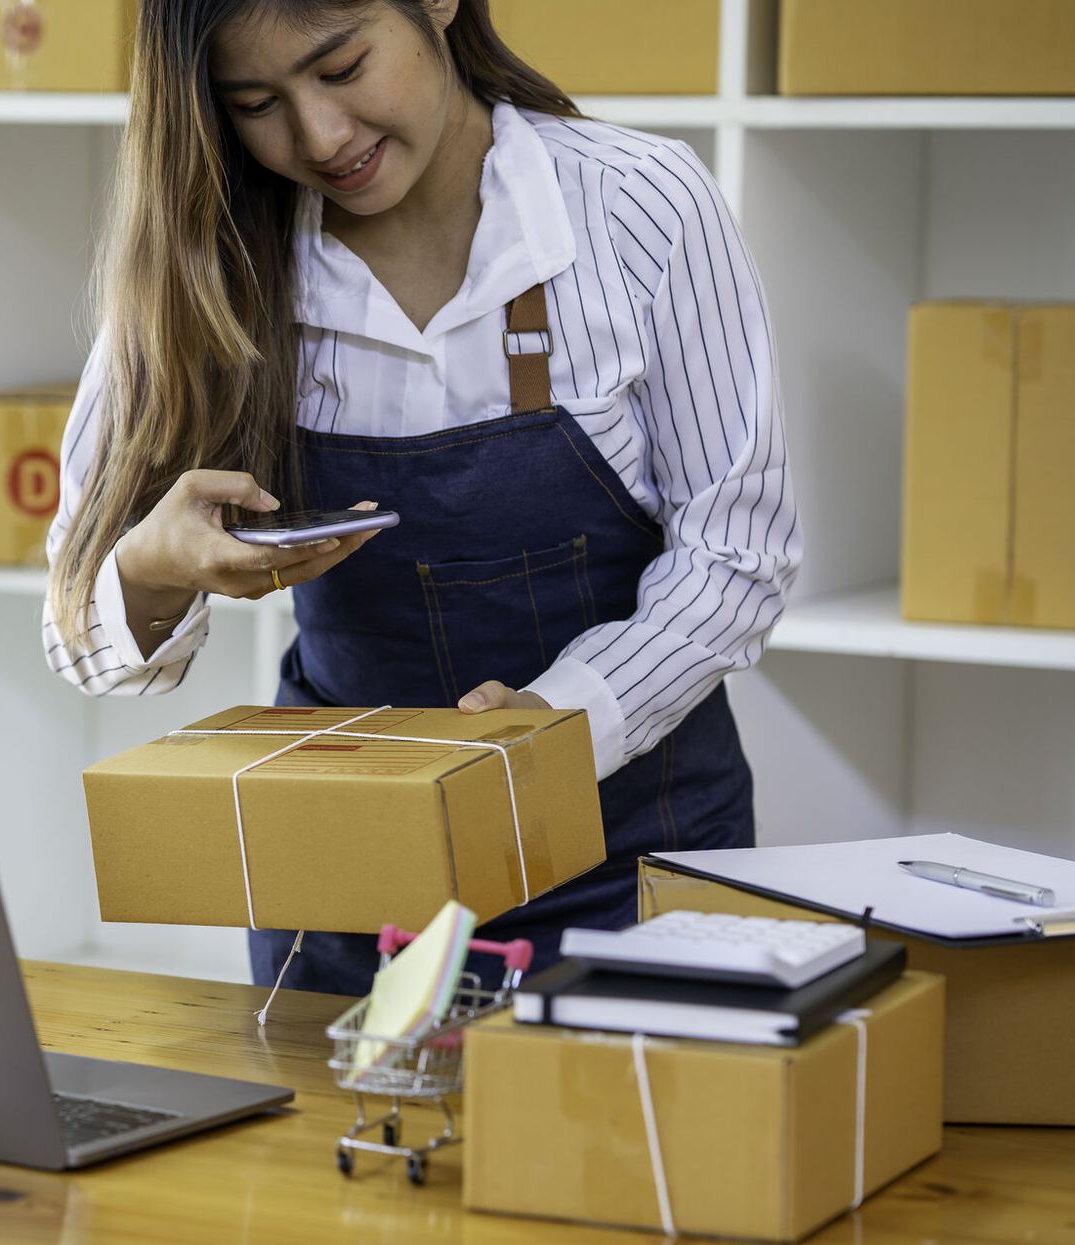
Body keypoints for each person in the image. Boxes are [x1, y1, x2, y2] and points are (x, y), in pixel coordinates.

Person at [41, 0, 798, 994]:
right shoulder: (204, 263)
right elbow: (79, 640)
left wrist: (552, 722)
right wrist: (150, 566)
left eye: (341, 68)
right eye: (256, 102)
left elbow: (736, 557)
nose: (318, 137)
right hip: (349, 882)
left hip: (633, 862)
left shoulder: (634, 206)